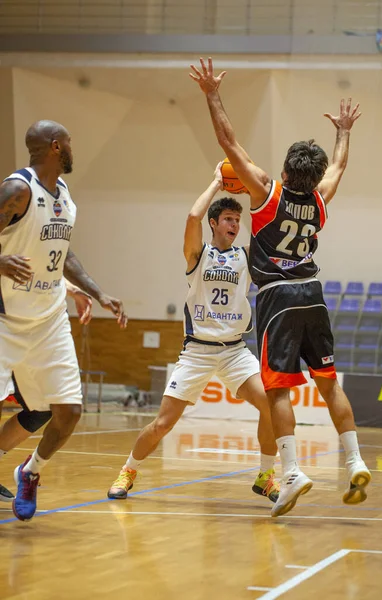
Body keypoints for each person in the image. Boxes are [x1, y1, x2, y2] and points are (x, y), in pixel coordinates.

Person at [189, 58, 371, 517]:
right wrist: (344, 131)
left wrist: (212, 93)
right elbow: (340, 168)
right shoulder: (320, 200)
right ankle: (353, 460)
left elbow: (228, 141)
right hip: (315, 295)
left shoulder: (268, 193)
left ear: (287, 173)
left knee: (277, 392)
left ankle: (290, 473)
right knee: (328, 384)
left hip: (279, 300)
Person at [107, 163, 279, 502]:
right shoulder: (197, 256)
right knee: (162, 424)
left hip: (234, 351)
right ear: (215, 223)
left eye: (237, 219)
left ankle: (266, 476)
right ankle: (127, 471)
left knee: (272, 406)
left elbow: (269, 226)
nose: (234, 224)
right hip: (197, 351)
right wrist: (217, 183)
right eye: (228, 219)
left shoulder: (247, 257)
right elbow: (191, 218)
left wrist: (256, 189)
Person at [0, 120, 128, 521]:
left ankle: (30, 471)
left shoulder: (64, 195)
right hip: (7, 318)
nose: (73, 147)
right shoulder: (18, 189)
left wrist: (96, 291)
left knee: (69, 412)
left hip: (48, 317)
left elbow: (63, 253)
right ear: (56, 146)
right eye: (69, 142)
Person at [0, 279, 93, 502]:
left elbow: (44, 261)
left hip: (31, 326)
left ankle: (29, 471)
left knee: (42, 409)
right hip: (7, 319)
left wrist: (72, 289)